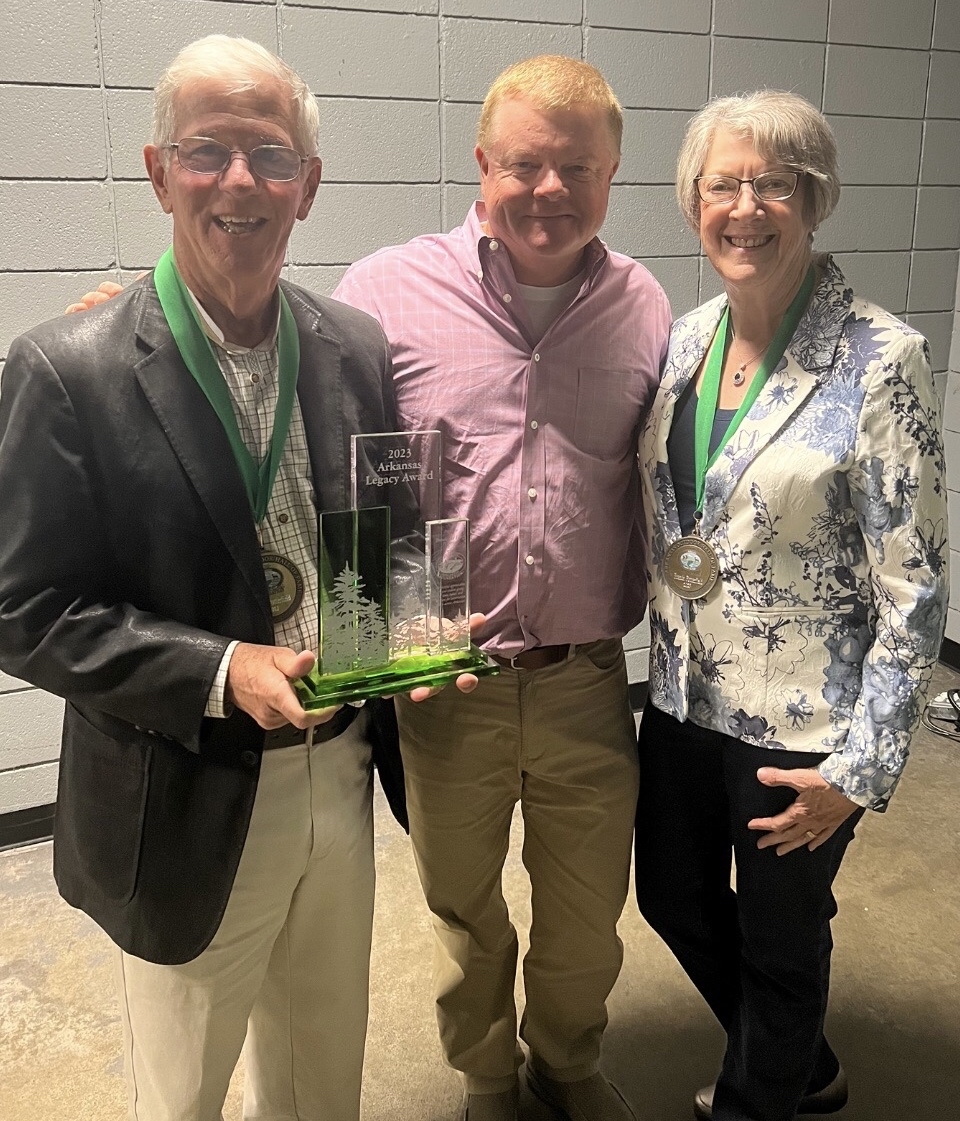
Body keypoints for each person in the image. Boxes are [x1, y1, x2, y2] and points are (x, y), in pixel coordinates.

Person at [0, 34, 473, 1121]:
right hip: (185, 784)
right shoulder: (67, 366)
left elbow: (381, 535)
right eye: (208, 150)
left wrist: (418, 630)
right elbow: (23, 608)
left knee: (322, 1078)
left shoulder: (353, 343)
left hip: (340, 769)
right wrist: (219, 668)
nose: (240, 181)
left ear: (308, 185)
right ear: (161, 171)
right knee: (186, 1093)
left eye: (270, 153)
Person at [334, 56, 671, 1121]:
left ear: (614, 174)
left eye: (579, 166)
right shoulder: (384, 290)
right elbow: (336, 463)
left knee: (586, 912)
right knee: (463, 904)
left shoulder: (645, 304)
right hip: (446, 681)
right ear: (483, 163)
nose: (550, 189)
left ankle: (565, 1062)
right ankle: (486, 1074)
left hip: (584, 678)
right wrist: (377, 637)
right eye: (526, 163)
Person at [634, 90, 948, 1121]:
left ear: (814, 201)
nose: (747, 204)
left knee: (779, 935)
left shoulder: (880, 356)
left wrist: (859, 771)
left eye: (775, 182)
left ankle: (763, 1095)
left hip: (805, 728)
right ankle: (801, 1057)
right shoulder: (682, 344)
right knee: (671, 895)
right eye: (723, 182)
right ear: (693, 203)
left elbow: (915, 588)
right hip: (683, 697)